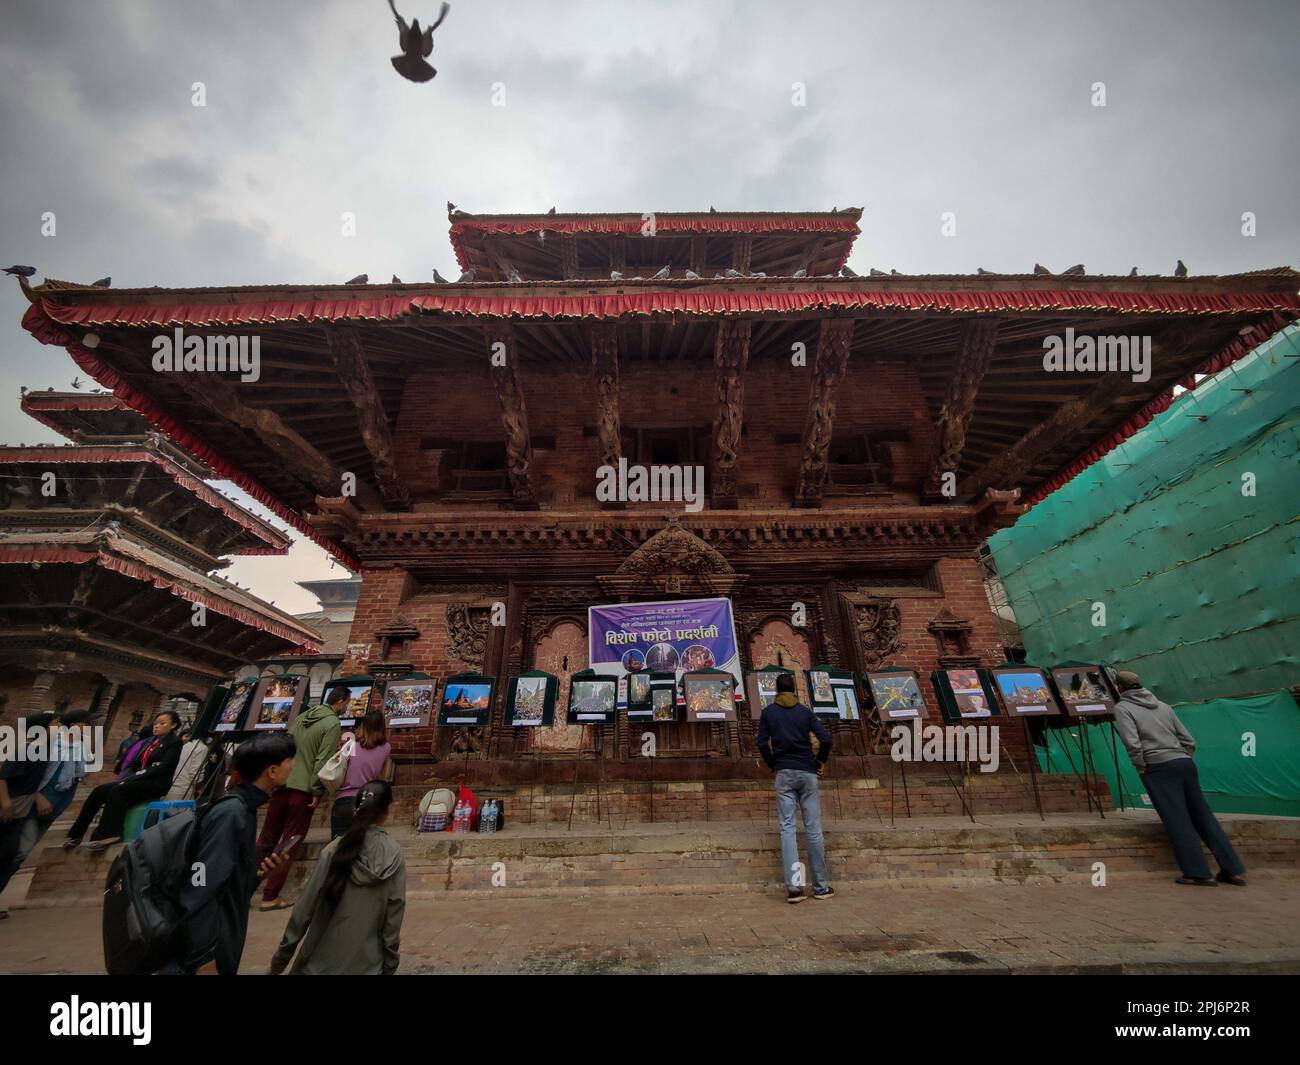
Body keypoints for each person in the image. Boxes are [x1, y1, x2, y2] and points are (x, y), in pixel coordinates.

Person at [169, 733, 295, 975]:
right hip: (208, 951)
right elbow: (201, 886)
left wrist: (258, 875)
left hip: (224, 939)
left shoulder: (245, 809)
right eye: (289, 760)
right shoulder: (231, 813)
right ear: (272, 771)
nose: (293, 765)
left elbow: (226, 880)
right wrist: (203, 960)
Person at [1113, 671, 1246, 887]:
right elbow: (1188, 740)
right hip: (1184, 762)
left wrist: (1142, 766)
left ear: (1120, 688)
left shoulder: (1123, 708)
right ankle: (1232, 870)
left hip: (1157, 765)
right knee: (1203, 816)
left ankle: (1198, 872)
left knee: (1177, 819)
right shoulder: (1164, 706)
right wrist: (1183, 757)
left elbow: (1132, 743)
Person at [270, 780, 406, 975]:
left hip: (318, 965)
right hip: (367, 966)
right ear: (389, 809)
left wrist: (280, 961)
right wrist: (390, 964)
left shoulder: (333, 850)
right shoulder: (394, 855)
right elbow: (393, 920)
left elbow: (303, 911)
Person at [256, 686, 344, 910]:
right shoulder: (332, 723)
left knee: (267, 838)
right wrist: (317, 790)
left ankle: (245, 887)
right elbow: (323, 759)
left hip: (283, 783)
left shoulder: (302, 717)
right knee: (289, 843)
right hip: (303, 789)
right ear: (341, 702)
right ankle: (270, 895)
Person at [0, 709, 92, 905]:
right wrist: (33, 797)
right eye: (85, 724)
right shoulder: (40, 747)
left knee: (17, 853)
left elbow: (80, 775)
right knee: (16, 852)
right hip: (28, 805)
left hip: (50, 806)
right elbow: (11, 776)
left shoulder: (74, 748)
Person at [756, 673, 834, 903]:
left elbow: (761, 742)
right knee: (813, 829)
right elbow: (826, 739)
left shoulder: (769, 712)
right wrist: (819, 762)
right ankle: (821, 887)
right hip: (807, 772)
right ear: (794, 690)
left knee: (787, 828)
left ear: (776, 691)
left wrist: (773, 763)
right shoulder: (804, 712)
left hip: (784, 773)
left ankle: (795, 888)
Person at [63, 709, 184, 852]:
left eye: (162, 723)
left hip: (155, 783)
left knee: (118, 791)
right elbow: (135, 763)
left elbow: (161, 768)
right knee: (99, 791)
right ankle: (76, 834)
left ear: (173, 725)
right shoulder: (150, 742)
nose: (156, 726)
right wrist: (128, 777)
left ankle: (111, 834)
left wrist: (132, 778)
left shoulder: (174, 743)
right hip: (135, 779)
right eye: (156, 723)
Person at [0, 712, 58, 916]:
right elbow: (3, 777)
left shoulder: (44, 750)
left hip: (23, 805)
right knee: (7, 850)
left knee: (11, 852)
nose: (58, 727)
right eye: (54, 724)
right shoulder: (28, 749)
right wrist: (6, 803)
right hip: (13, 802)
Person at [332, 710, 393, 839]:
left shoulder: (352, 746)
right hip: (366, 799)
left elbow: (348, 768)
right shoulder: (386, 748)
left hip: (343, 799)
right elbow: (382, 775)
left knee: (337, 845)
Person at [166, 728, 209, 801]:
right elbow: (196, 774)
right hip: (183, 788)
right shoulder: (201, 747)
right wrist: (199, 787)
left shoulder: (182, 745)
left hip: (169, 786)